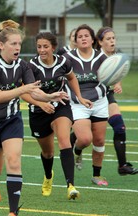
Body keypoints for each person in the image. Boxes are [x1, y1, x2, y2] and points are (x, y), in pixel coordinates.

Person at [0, 20, 69, 216]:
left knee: (14, 160)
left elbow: (33, 91)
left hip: (12, 119)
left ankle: (13, 212)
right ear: (1, 45)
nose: (17, 47)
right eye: (13, 44)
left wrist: (49, 96)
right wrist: (23, 89)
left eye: (19, 44)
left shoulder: (23, 65)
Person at [21, 32, 92, 200]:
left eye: (46, 46)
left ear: (53, 47)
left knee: (64, 141)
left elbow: (72, 77)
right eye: (39, 46)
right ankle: (48, 176)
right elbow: (24, 92)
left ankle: (71, 186)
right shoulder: (31, 66)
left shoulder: (63, 62)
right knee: (48, 152)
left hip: (61, 106)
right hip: (39, 112)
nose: (42, 50)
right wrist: (40, 103)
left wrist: (79, 97)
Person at [64, 24, 109, 186]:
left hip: (99, 103)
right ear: (75, 41)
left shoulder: (102, 58)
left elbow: (107, 80)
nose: (83, 38)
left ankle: (97, 175)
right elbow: (65, 82)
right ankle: (77, 150)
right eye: (79, 36)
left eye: (86, 36)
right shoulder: (68, 58)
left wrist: (114, 82)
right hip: (77, 104)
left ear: (92, 39)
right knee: (84, 139)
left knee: (99, 140)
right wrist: (80, 97)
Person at [95, 26, 138, 175]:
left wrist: (117, 83)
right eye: (108, 39)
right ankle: (77, 146)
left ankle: (122, 165)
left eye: (113, 38)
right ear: (100, 42)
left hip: (107, 95)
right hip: (92, 97)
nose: (112, 41)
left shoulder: (117, 57)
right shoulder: (95, 57)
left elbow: (117, 75)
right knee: (87, 135)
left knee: (119, 127)